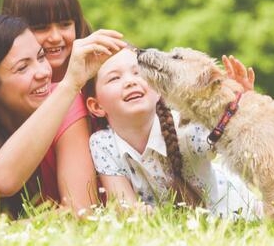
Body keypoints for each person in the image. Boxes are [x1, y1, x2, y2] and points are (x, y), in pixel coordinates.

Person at [0, 14, 122, 219]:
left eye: (41, 56)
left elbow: (81, 212)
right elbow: (2, 180)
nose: (44, 72)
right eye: (23, 67)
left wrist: (70, 85)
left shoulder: (67, 101)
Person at [84, 47, 262, 218]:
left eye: (138, 72)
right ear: (97, 106)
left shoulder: (188, 127)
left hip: (236, 212)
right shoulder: (103, 144)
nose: (130, 81)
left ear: (158, 88)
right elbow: (123, 207)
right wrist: (142, 214)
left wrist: (236, 108)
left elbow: (242, 150)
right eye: (114, 78)